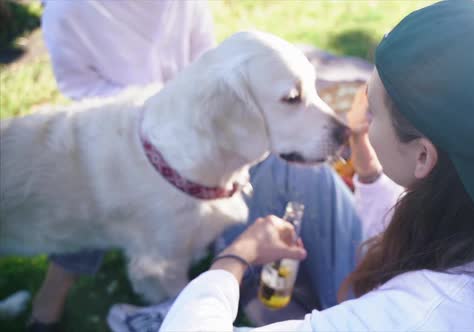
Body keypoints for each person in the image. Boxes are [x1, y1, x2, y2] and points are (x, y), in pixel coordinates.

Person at [160, 1, 474, 331]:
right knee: (291, 168)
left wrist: (236, 257)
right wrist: (369, 165)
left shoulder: (413, 318)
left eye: (371, 111)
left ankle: (231, 291)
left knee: (275, 174)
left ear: (424, 156)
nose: (356, 122)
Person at [30, 1, 361, 331]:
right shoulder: (67, 12)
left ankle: (204, 270)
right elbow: (78, 87)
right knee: (95, 191)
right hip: (124, 124)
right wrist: (157, 108)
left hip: (199, 120)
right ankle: (57, 295)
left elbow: (207, 60)